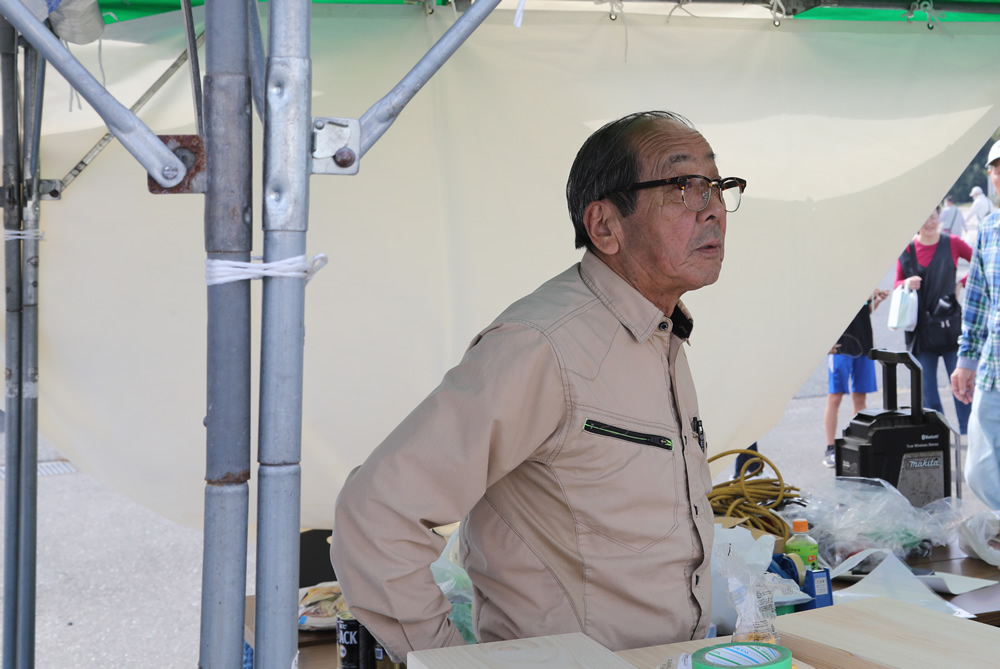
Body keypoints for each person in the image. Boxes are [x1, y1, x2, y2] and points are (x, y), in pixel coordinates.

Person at [330, 111, 746, 660]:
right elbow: (375, 515)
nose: (712, 208)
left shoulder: (660, 332)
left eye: (717, 185)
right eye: (684, 186)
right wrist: (449, 663)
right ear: (604, 225)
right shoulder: (542, 345)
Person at [952, 140, 1000, 510]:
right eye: (996, 168)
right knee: (979, 471)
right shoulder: (988, 229)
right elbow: (978, 302)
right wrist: (966, 360)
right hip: (992, 370)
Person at [897, 207, 973, 435]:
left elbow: (981, 262)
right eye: (923, 218)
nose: (929, 222)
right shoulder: (907, 249)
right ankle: (938, 437)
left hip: (951, 327)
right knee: (927, 391)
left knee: (962, 385)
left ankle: (969, 434)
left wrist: (962, 283)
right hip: (921, 331)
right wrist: (905, 283)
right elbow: (896, 283)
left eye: (933, 216)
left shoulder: (953, 243)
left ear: (939, 217)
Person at [823, 290, 888, 468]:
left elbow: (865, 310)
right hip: (840, 344)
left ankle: (857, 443)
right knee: (835, 396)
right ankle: (830, 448)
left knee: (860, 396)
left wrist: (876, 300)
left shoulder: (863, 281)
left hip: (863, 340)